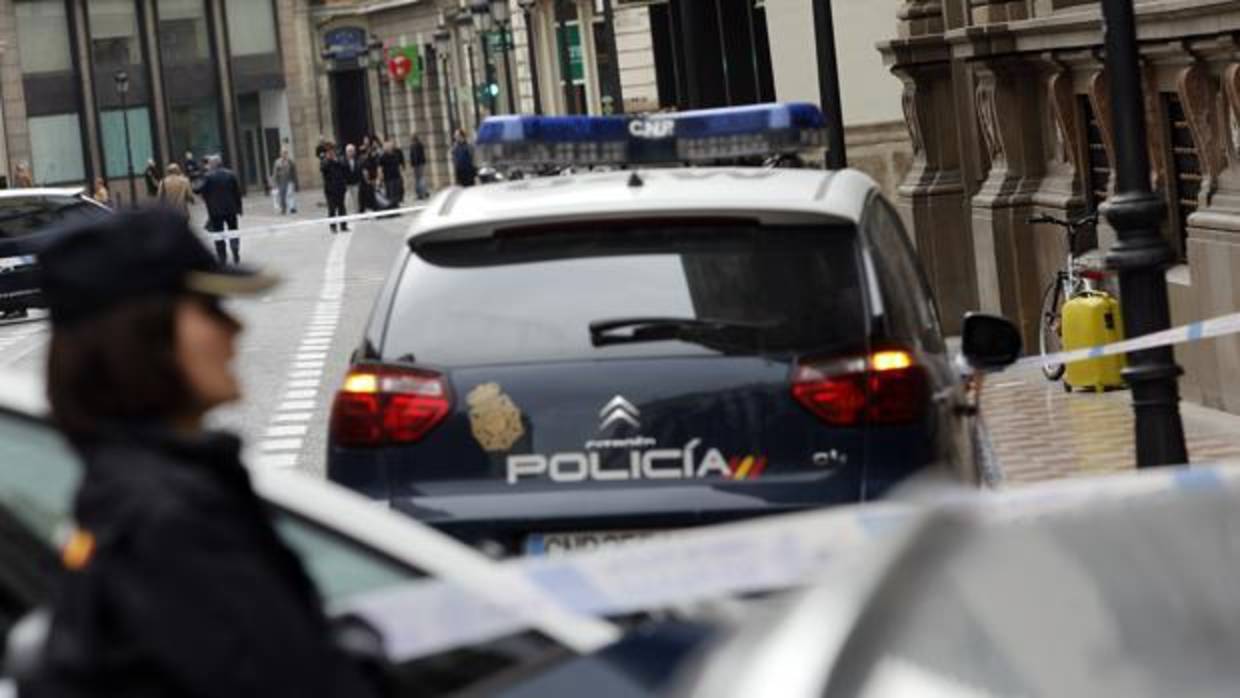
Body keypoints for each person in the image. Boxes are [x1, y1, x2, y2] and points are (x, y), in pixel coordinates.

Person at [24, 208, 382, 698]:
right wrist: (363, 648)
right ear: (142, 337)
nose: (235, 330)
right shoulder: (170, 517)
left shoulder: (128, 492)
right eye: (209, 309)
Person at [194, 155, 243, 265]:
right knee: (233, 231)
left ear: (212, 164)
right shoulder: (230, 174)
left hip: (215, 211)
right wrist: (239, 208)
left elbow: (196, 189)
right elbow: (237, 193)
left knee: (218, 234)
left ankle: (222, 257)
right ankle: (235, 251)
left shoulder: (208, 176)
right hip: (231, 209)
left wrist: (201, 175)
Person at [320, 145, 349, 234]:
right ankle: (333, 227)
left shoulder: (339, 160)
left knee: (342, 208)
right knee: (332, 209)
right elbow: (323, 169)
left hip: (340, 188)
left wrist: (336, 160)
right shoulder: (324, 162)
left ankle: (343, 226)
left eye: (332, 152)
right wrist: (329, 160)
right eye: (329, 153)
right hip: (330, 190)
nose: (331, 154)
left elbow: (345, 167)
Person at [270, 148, 298, 215]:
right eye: (283, 153)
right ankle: (283, 208)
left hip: (289, 180)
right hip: (281, 181)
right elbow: (275, 173)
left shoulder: (290, 161)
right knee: (282, 196)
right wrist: (274, 182)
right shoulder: (277, 162)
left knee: (289, 194)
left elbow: (294, 172)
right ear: (281, 154)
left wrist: (295, 181)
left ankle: (292, 208)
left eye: (286, 153)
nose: (284, 154)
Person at [379, 140, 405, 208]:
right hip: (388, 178)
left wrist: (401, 174)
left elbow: (399, 165)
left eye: (390, 147)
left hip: (396, 176)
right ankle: (391, 207)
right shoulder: (383, 157)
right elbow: (380, 168)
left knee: (396, 192)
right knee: (390, 193)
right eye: (388, 147)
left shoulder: (395, 155)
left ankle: (396, 206)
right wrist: (381, 177)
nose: (390, 148)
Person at [343, 144, 363, 215]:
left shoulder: (357, 161)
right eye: (349, 151)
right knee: (347, 200)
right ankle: (347, 213)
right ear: (346, 152)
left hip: (355, 183)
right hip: (347, 184)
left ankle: (356, 213)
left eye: (352, 151)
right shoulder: (343, 161)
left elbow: (359, 171)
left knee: (356, 199)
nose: (350, 153)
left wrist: (359, 181)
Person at [409, 135, 428, 200]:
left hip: (417, 165)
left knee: (418, 179)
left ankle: (421, 193)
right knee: (421, 178)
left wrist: (413, 164)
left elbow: (413, 156)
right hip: (420, 164)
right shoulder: (420, 145)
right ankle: (423, 192)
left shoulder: (413, 146)